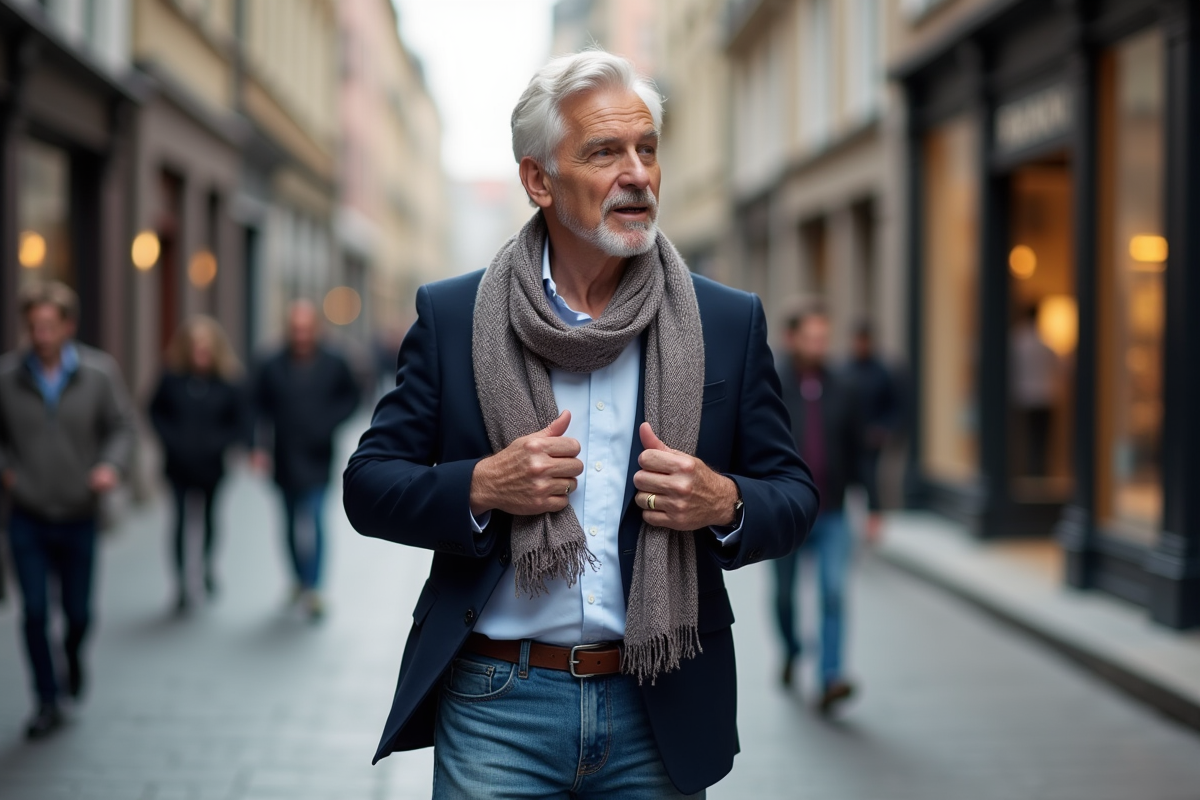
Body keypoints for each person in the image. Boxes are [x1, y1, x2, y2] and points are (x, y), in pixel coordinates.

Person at [343, 50, 817, 798]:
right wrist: (482, 485)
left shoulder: (726, 321)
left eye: (648, 150)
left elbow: (794, 495)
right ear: (538, 180)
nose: (637, 173)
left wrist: (724, 502)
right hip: (498, 701)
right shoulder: (454, 316)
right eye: (604, 152)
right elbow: (367, 487)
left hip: (656, 701)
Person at [0, 281, 135, 739]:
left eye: (49, 326)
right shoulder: (7, 377)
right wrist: (7, 469)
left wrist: (109, 466)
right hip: (27, 513)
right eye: (33, 326)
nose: (40, 335)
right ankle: (46, 699)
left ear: (68, 327)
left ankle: (72, 660)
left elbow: (121, 427)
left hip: (79, 513)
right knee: (34, 611)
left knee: (78, 615)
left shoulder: (98, 374)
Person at [773, 301, 876, 714]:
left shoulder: (844, 387)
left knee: (833, 592)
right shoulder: (772, 385)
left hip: (832, 510)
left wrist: (873, 506)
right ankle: (793, 648)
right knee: (784, 597)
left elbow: (860, 451)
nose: (818, 344)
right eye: (810, 336)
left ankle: (831, 676)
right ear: (791, 338)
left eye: (823, 337)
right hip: (786, 513)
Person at [252, 300, 360, 621]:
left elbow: (352, 396)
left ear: (315, 329)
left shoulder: (334, 362)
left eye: (305, 329)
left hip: (317, 455)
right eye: (295, 329)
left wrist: (329, 421)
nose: (300, 335)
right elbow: (256, 404)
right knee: (287, 523)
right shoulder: (272, 364)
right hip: (283, 455)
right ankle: (298, 580)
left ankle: (313, 589)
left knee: (313, 519)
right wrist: (255, 446)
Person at [149, 316, 249, 613]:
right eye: (195, 349)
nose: (200, 355)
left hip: (211, 465)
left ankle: (206, 567)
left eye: (206, 349)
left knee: (208, 519)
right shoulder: (171, 378)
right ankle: (180, 583)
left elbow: (240, 421)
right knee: (179, 521)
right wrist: (172, 440)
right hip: (178, 464)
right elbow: (155, 411)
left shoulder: (228, 383)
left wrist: (220, 444)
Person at [844, 321, 901, 542]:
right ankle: (847, 522)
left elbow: (895, 406)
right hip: (847, 440)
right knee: (848, 480)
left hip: (870, 440)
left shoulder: (882, 373)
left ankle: (873, 524)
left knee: (870, 479)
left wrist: (883, 429)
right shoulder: (844, 370)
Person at [1010, 304, 1061, 477]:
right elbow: (1058, 366)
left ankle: (1026, 471)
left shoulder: (1019, 340)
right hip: (1044, 396)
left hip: (1024, 396)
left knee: (1025, 437)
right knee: (1041, 439)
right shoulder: (1044, 341)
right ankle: (1038, 471)